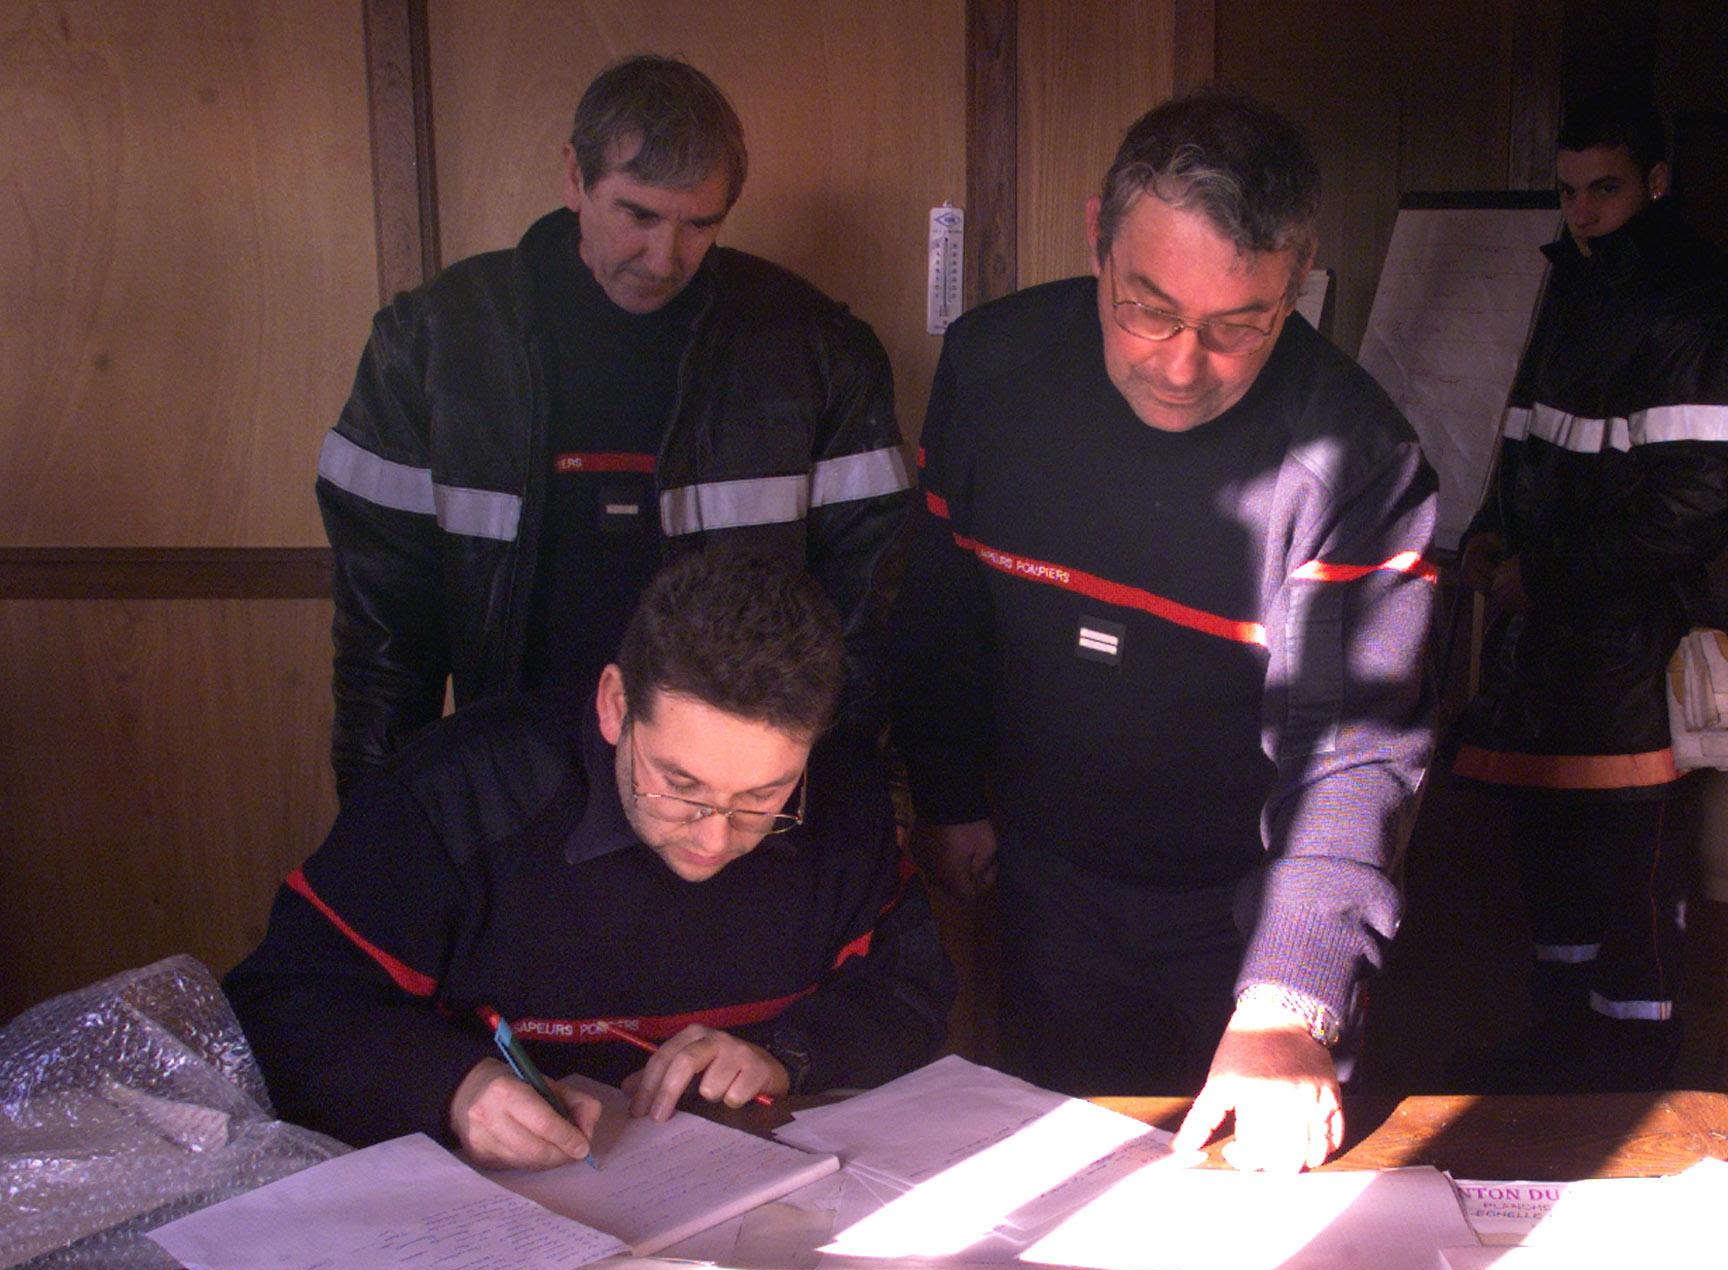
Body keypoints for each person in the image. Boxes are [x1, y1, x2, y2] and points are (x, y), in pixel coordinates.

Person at [890, 89, 1437, 1172]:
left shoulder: (1354, 454)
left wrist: (1294, 995)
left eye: (1240, 326)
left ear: (1300, 280)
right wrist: (947, 792)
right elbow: (943, 606)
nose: (1183, 366)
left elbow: (1355, 749)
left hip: (1252, 900)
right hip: (1042, 872)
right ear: (1099, 236)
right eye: (1149, 308)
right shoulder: (993, 370)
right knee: (1063, 1185)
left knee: (1255, 1223)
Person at [226, 550, 956, 1169]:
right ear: (614, 706)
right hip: (483, 1214)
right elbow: (280, 1006)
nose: (712, 837)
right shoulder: (452, 800)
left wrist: (785, 1055)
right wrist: (451, 1084)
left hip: (742, 1192)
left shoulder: (846, 803)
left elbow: (911, 989)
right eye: (680, 785)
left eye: (761, 797)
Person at [317, 55, 913, 796]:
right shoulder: (433, 343)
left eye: (700, 224)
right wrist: (374, 812)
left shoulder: (816, 350)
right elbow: (383, 625)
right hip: (516, 781)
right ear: (575, 176)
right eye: (639, 214)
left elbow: (866, 619)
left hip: (730, 799)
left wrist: (842, 810)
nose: (664, 258)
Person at [1451, 92, 1728, 1091]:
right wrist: (1487, 529)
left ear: (1657, 180)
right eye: (1569, 192)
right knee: (1550, 848)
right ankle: (1558, 1044)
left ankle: (1632, 1071)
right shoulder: (1575, 281)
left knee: (1629, 863)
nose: (1583, 210)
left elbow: (1701, 499)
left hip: (1630, 637)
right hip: (1549, 638)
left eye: (1604, 188)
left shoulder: (1692, 297)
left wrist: (1548, 569)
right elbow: (1526, 434)